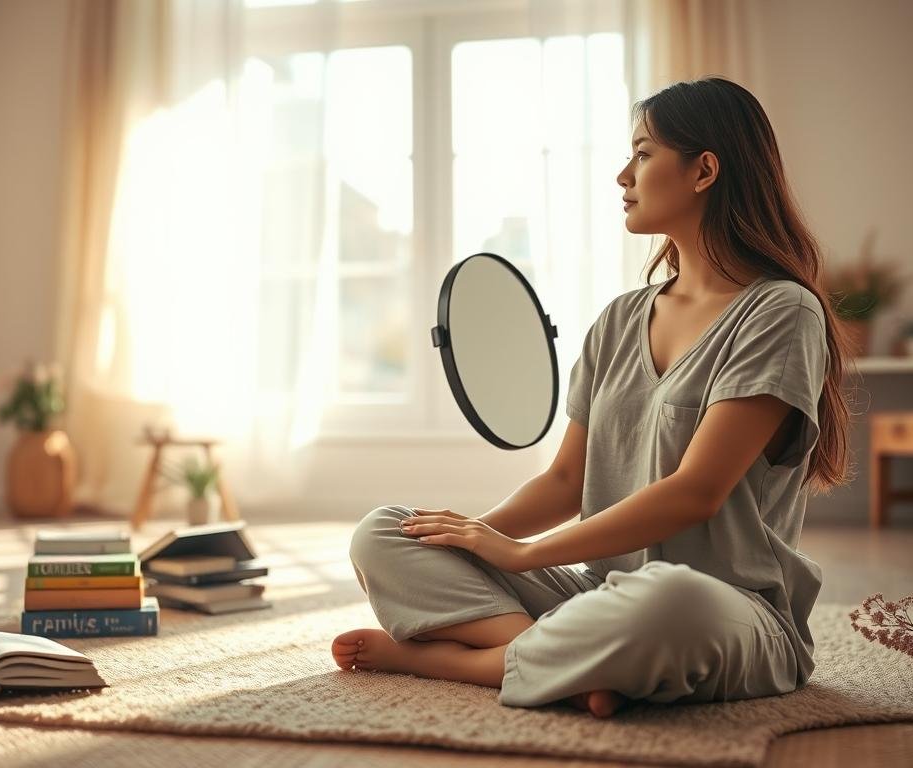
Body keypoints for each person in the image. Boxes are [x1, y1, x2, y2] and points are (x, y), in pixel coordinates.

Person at [331, 76, 854, 718]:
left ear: (704, 170)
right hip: (594, 598)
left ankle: (459, 663)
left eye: (642, 153)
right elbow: (564, 480)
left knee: (667, 600)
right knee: (383, 531)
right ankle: (557, 661)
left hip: (723, 610)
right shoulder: (619, 319)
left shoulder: (780, 311)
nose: (621, 176)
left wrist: (519, 555)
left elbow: (697, 492)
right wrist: (471, 539)